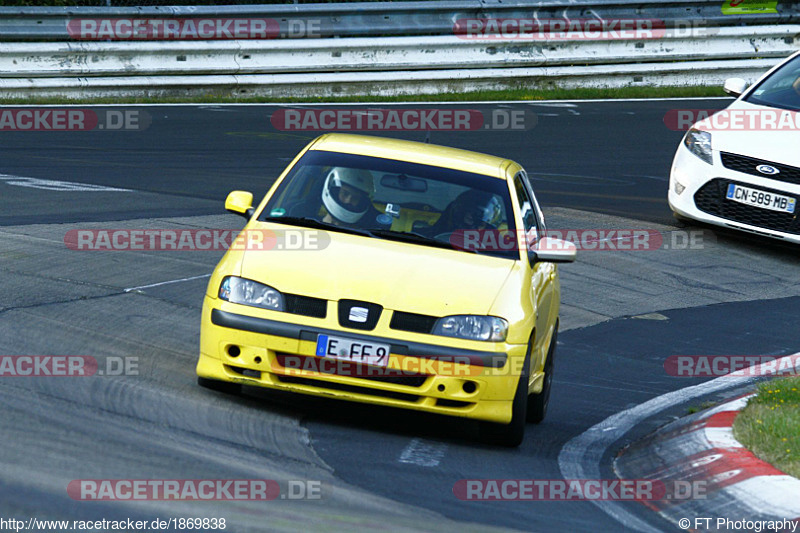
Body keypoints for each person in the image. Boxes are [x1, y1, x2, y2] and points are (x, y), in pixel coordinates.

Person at [424, 189, 503, 237]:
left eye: (478, 214)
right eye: (469, 209)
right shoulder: (442, 227)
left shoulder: (494, 243)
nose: (472, 216)